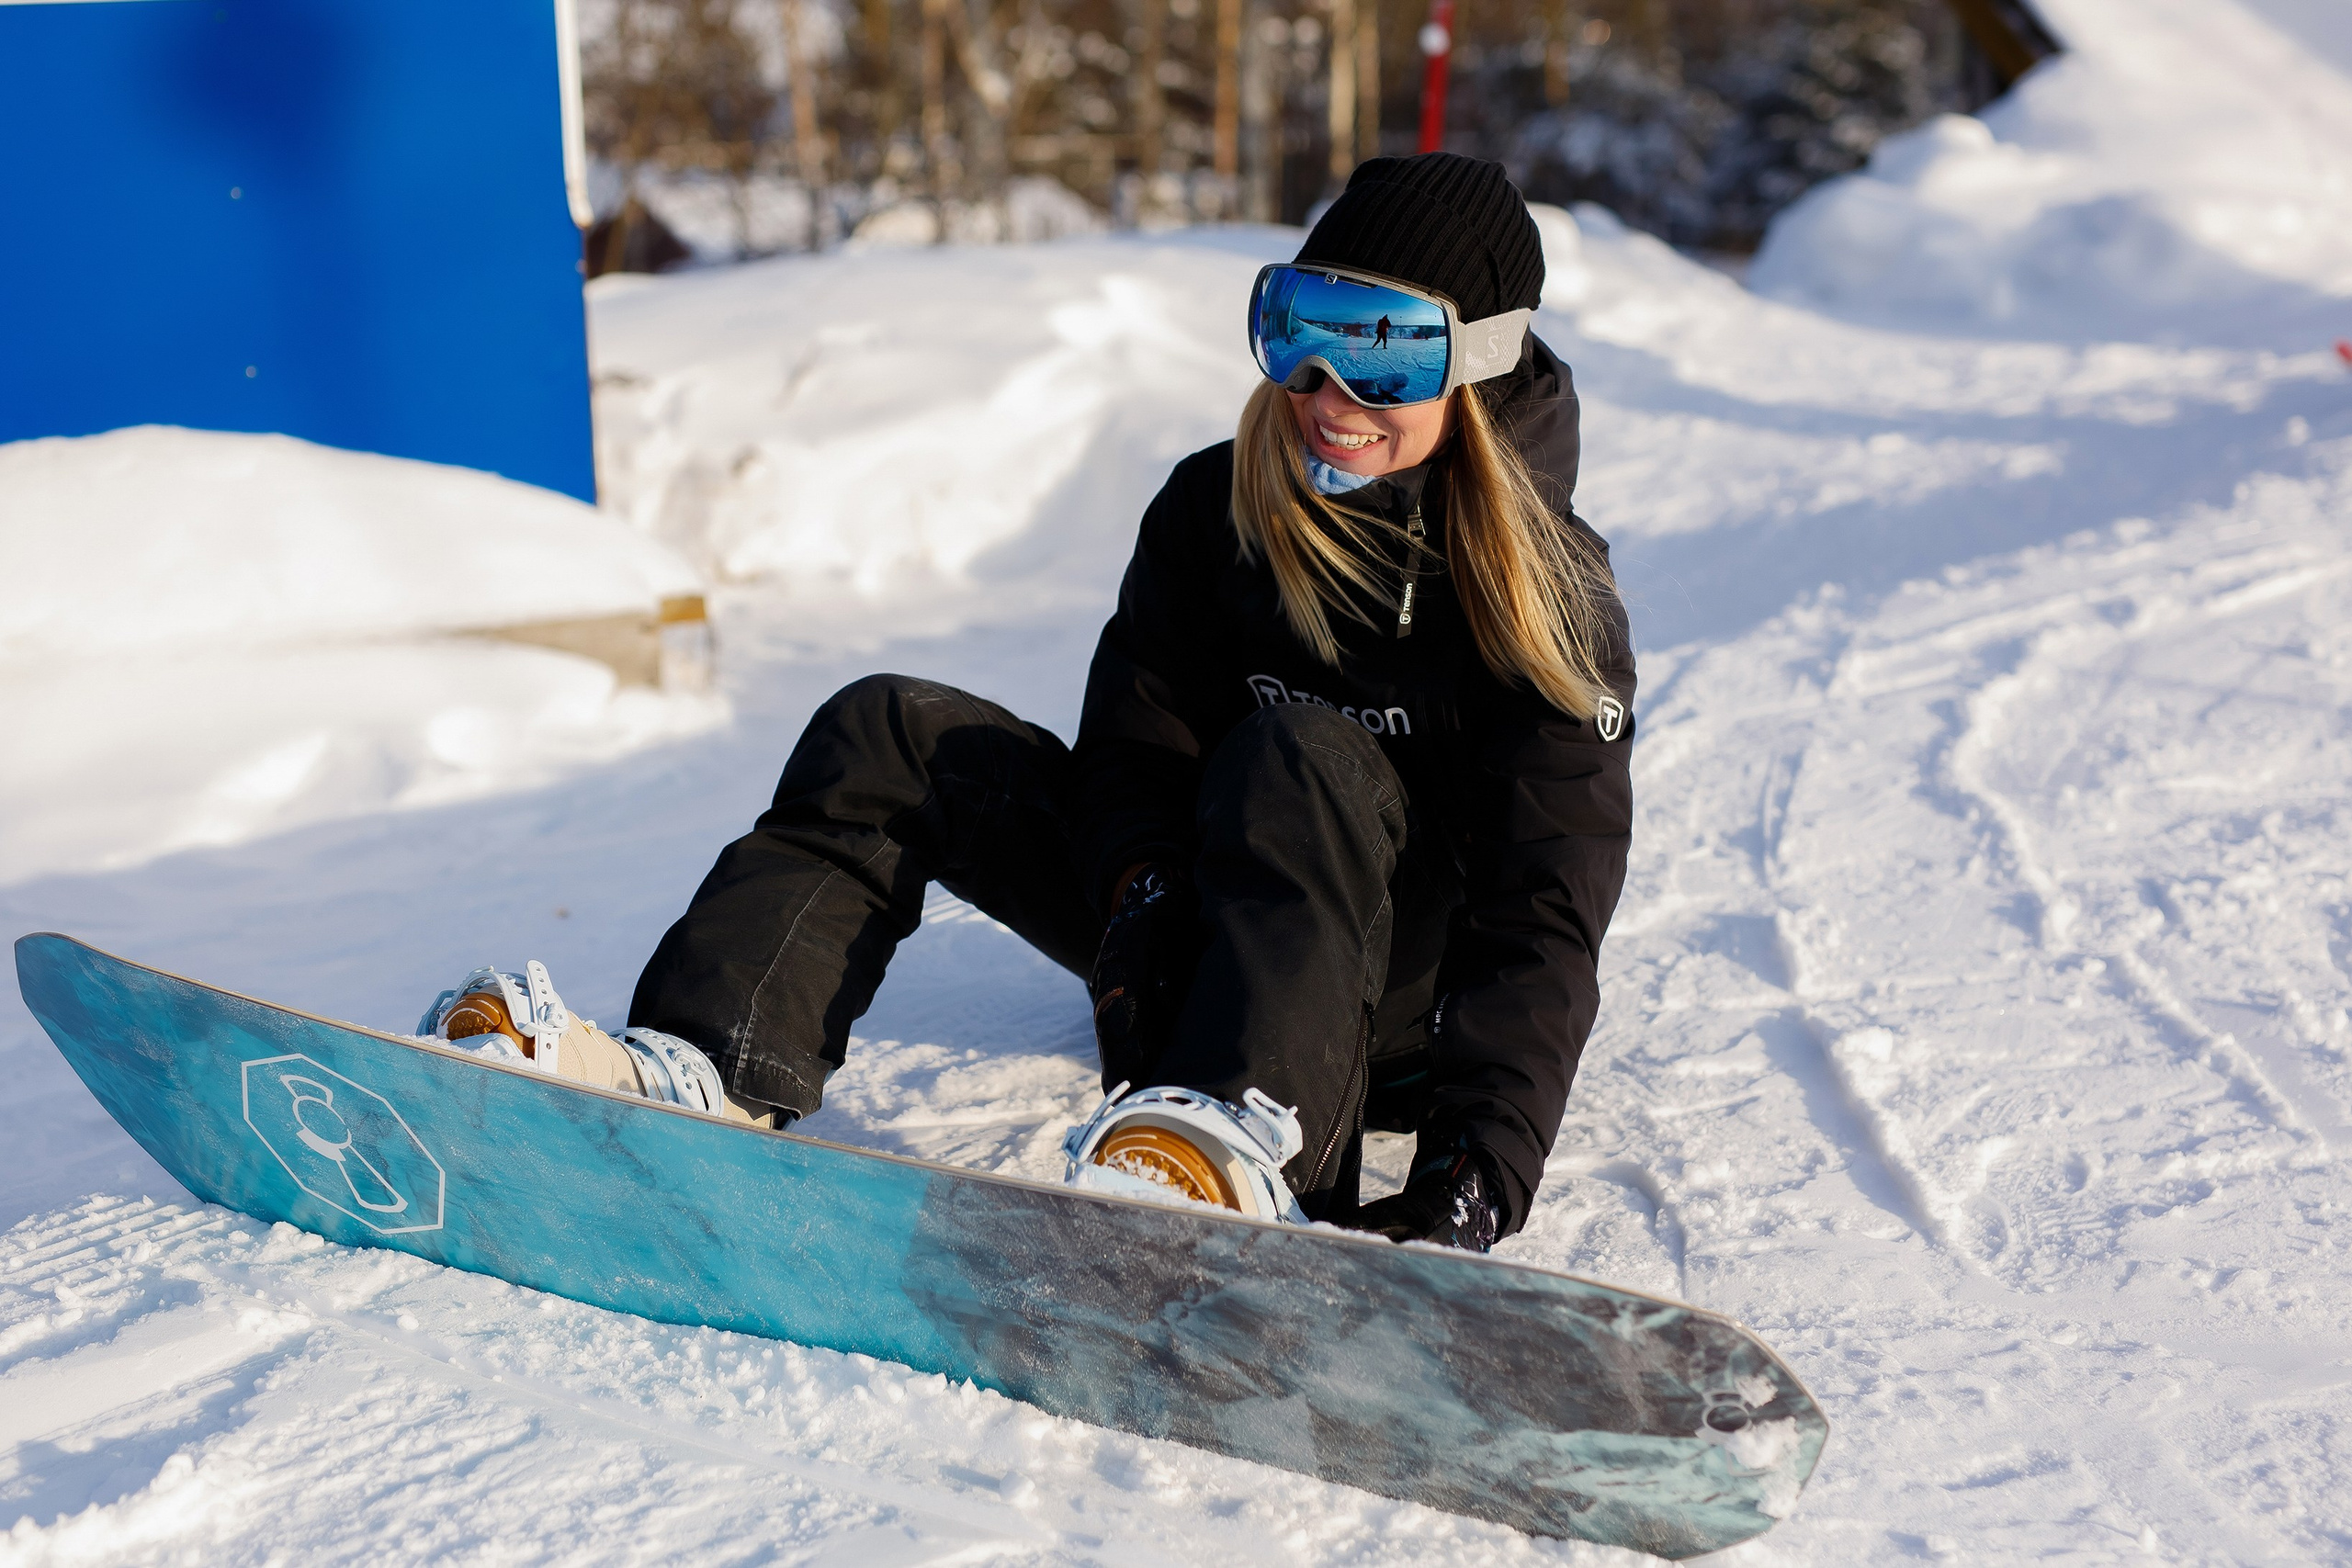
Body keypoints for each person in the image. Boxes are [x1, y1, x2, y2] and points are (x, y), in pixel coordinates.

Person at [419, 153, 1634, 1254]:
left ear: (1477, 367)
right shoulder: (1216, 508)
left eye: (1383, 350)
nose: (1328, 388)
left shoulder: (1547, 598)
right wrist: (1141, 900)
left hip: (1392, 1011)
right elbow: (1136, 751)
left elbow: (1545, 910)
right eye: (1300, 330)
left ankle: (1243, 1146)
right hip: (1204, 931)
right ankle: (699, 1067)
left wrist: (1470, 1178)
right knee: (891, 731)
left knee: (1298, 754)